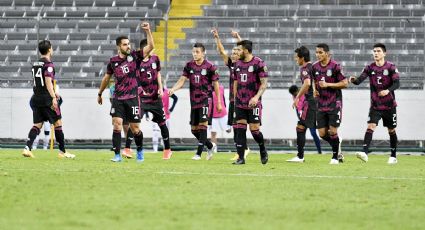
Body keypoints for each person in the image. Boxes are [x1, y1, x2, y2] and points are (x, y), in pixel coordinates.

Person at [97, 22, 154, 163]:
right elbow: (106, 78)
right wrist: (100, 93)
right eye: (125, 44)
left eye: (128, 44)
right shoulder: (113, 62)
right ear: (118, 46)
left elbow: (151, 47)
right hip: (118, 98)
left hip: (133, 98)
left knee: (135, 129)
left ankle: (140, 150)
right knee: (117, 123)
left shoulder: (135, 56)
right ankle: (117, 155)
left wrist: (148, 31)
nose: (128, 46)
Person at [22, 40, 75, 159]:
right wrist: (53, 97)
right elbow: (47, 81)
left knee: (37, 125)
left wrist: (53, 91)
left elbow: (39, 82)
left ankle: (27, 148)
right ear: (50, 49)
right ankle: (62, 151)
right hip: (47, 99)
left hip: (36, 97)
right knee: (58, 123)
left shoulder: (35, 64)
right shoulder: (49, 65)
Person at [168, 42, 222, 160]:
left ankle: (198, 153)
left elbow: (216, 85)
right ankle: (210, 145)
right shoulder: (189, 66)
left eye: (197, 52)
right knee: (194, 130)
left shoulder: (210, 67)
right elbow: (182, 80)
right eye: (193, 52)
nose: (195, 54)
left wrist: (218, 102)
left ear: (203, 53)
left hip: (206, 100)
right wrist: (173, 89)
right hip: (194, 101)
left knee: (203, 126)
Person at [349, 43, 400, 164]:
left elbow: (397, 83)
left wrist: (387, 90)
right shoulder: (369, 67)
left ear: (384, 53)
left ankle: (393, 156)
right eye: (374, 51)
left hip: (389, 106)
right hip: (375, 105)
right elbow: (359, 80)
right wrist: (353, 80)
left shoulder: (391, 67)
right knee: (371, 126)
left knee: (391, 130)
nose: (376, 53)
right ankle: (364, 152)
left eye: (378, 51)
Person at [211, 28, 250, 161]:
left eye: (235, 52)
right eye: (232, 52)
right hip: (233, 100)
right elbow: (221, 51)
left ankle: (243, 150)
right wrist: (217, 38)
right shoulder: (232, 65)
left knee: (241, 126)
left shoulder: (245, 64)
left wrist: (238, 37)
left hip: (244, 99)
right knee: (235, 126)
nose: (233, 54)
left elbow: (245, 49)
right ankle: (242, 149)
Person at [232, 40, 268, 165]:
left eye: (240, 50)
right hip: (240, 103)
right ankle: (241, 158)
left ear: (246, 50)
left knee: (255, 131)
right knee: (240, 129)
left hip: (253, 103)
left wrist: (256, 97)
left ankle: (262, 149)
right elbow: (236, 82)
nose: (237, 52)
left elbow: (264, 84)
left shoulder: (259, 63)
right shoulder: (237, 65)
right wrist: (235, 98)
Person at [312, 43, 348, 164]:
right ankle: (337, 143)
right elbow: (313, 80)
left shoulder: (335, 66)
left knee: (333, 131)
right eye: (316, 52)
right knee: (322, 133)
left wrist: (328, 85)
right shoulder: (314, 67)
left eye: (320, 52)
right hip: (321, 103)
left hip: (334, 102)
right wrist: (314, 90)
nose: (318, 55)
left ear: (327, 53)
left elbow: (345, 83)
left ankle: (334, 157)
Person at [137, 39, 173, 159]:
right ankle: (135, 149)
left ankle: (167, 149)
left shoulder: (155, 59)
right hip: (142, 99)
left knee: (162, 124)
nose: (153, 50)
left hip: (155, 98)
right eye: (150, 48)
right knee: (135, 122)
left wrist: (161, 89)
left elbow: (158, 74)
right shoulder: (137, 62)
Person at [287, 84, 322, 162]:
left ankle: (319, 151)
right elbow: (297, 108)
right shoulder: (295, 96)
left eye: (295, 94)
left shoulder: (304, 93)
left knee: (314, 133)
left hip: (309, 115)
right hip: (303, 116)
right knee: (301, 131)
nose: (294, 95)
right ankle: (300, 155)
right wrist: (300, 117)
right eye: (293, 95)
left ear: (298, 90)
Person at [108, 78, 134, 158]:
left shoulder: (127, 86)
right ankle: (115, 147)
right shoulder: (112, 88)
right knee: (116, 127)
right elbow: (111, 99)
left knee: (126, 128)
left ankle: (128, 147)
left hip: (125, 108)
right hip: (116, 107)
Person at [151, 86, 178, 153]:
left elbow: (175, 98)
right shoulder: (154, 92)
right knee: (155, 133)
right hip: (156, 116)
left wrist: (171, 109)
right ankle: (155, 150)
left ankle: (165, 149)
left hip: (166, 117)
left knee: (165, 133)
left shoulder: (167, 91)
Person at [209, 83, 229, 151]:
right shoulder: (207, 89)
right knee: (213, 133)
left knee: (228, 130)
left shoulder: (221, 87)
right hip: (212, 116)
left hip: (222, 113)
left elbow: (223, 99)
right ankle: (214, 150)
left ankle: (240, 147)